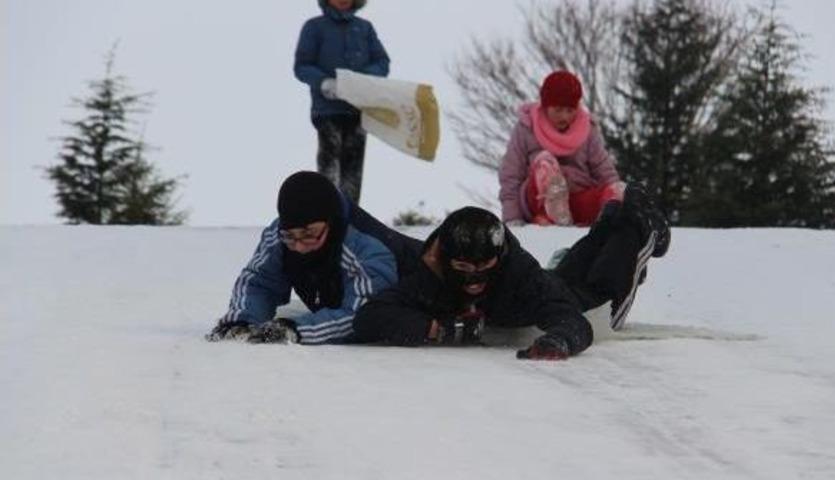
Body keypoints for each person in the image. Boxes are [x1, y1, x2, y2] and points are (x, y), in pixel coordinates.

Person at [353, 188, 670, 359]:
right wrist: (435, 328)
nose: (474, 279)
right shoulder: (432, 273)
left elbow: (576, 322)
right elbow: (371, 317)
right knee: (570, 272)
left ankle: (640, 227)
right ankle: (611, 219)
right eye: (463, 268)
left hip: (587, 306)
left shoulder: (519, 275)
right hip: (555, 280)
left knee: (605, 290)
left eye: (484, 267)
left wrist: (559, 341)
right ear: (446, 258)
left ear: (500, 257)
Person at [206, 171, 422, 345]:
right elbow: (259, 282)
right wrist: (243, 320)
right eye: (291, 236)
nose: (299, 246)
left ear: (331, 221)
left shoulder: (366, 248)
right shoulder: (280, 235)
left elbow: (363, 316)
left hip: (434, 297)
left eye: (309, 235)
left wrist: (297, 330)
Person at [499, 70, 623, 227]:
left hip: (577, 198)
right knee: (545, 162)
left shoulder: (588, 130)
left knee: (614, 192)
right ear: (545, 106)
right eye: (558, 110)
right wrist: (512, 218)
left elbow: (604, 170)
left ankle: (619, 216)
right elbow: (511, 174)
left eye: (570, 110)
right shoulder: (526, 128)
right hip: (537, 201)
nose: (564, 117)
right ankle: (552, 212)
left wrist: (615, 192)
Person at [294, 0, 390, 204]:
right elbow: (302, 66)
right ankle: (327, 211)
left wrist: (362, 80)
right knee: (329, 164)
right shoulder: (314, 27)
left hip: (358, 109)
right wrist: (323, 82)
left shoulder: (364, 28)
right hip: (327, 109)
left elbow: (382, 62)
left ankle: (350, 217)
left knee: (353, 169)